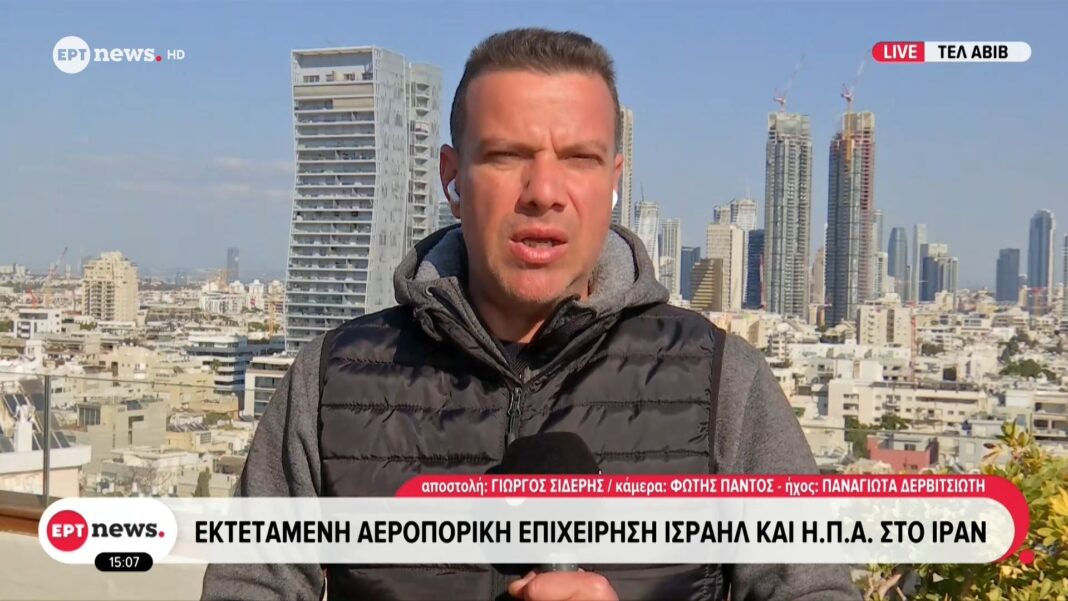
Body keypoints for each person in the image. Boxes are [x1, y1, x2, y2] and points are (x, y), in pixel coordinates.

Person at [202, 27, 861, 601]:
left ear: (613, 180)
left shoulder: (724, 385)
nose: (544, 192)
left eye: (578, 159)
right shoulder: (330, 382)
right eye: (507, 155)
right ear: (453, 179)